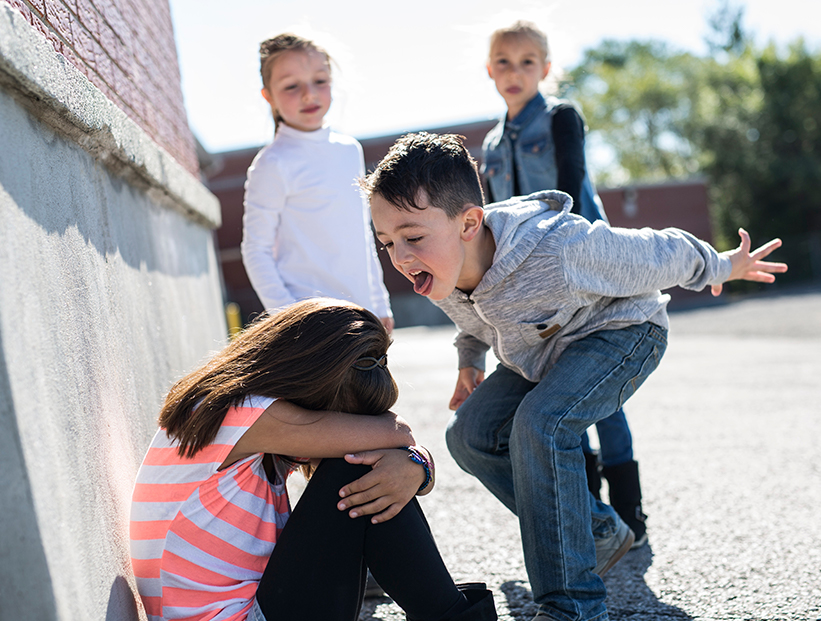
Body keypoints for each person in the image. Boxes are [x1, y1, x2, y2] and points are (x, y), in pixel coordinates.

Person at [362, 132, 787, 621]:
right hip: (545, 351)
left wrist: (721, 264)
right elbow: (475, 320)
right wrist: (469, 362)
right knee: (469, 435)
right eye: (387, 242)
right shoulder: (440, 268)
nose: (400, 256)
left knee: (541, 424)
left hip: (623, 333)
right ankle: (597, 531)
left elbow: (655, 252)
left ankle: (574, 606)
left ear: (468, 223)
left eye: (412, 237)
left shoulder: (558, 249)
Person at [129, 298, 497, 621]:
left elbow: (400, 445)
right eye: (341, 417)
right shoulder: (243, 414)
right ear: (311, 381)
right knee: (355, 466)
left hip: (252, 607)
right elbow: (397, 435)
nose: (340, 428)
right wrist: (413, 459)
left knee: (368, 467)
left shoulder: (243, 417)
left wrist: (417, 465)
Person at [480, 20, 646, 545]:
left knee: (602, 396)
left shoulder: (560, 118)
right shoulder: (489, 143)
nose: (515, 71)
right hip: (531, 287)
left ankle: (630, 511)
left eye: (528, 61)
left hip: (584, 272)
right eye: (504, 62)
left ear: (546, 69)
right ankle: (593, 516)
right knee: (557, 393)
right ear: (490, 70)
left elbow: (571, 188)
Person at [241, 33, 393, 332]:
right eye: (291, 86)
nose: (309, 94)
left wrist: (380, 304)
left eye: (320, 81)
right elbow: (255, 250)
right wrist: (290, 317)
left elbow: (362, 235)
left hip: (363, 317)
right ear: (268, 96)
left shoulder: (350, 150)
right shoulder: (272, 163)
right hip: (311, 327)